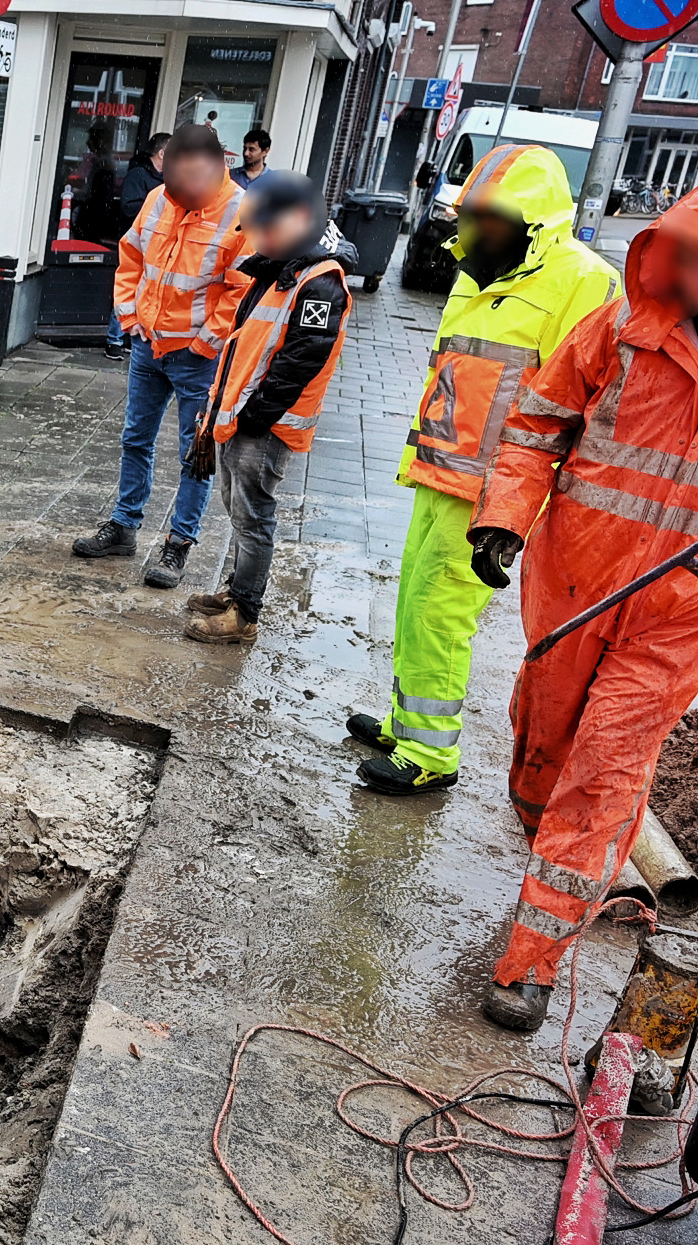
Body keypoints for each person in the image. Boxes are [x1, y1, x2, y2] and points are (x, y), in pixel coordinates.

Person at [468, 192, 698, 1032]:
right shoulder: (618, 334)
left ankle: (530, 960)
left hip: (674, 624)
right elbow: (537, 423)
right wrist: (503, 513)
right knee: (544, 755)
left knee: (603, 772)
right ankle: (564, 863)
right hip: (573, 592)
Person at [345, 145, 620, 796]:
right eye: (469, 215)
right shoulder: (482, 269)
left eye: (487, 218)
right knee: (414, 601)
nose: (470, 231)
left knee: (442, 614)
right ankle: (405, 720)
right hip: (443, 471)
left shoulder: (583, 281)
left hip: (495, 487)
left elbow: (583, 406)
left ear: (534, 222)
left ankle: (428, 753)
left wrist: (520, 514)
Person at [76, 123, 250, 589]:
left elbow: (242, 290)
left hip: (197, 357)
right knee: (135, 438)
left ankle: (178, 544)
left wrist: (205, 342)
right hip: (148, 346)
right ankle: (124, 525)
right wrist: (130, 318)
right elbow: (130, 256)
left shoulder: (241, 212)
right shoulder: (159, 200)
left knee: (196, 455)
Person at [183, 173, 350, 644]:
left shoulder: (319, 283)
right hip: (245, 417)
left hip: (266, 426)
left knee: (254, 518)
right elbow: (247, 347)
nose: (257, 238)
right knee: (240, 512)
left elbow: (299, 362)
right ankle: (238, 593)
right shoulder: (281, 268)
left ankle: (245, 614)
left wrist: (252, 420)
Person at [106, 132, 170, 360]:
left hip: (157, 245)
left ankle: (130, 337)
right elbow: (129, 208)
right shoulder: (139, 175)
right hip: (137, 242)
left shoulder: (166, 179)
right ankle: (114, 338)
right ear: (162, 153)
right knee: (130, 284)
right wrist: (156, 211)